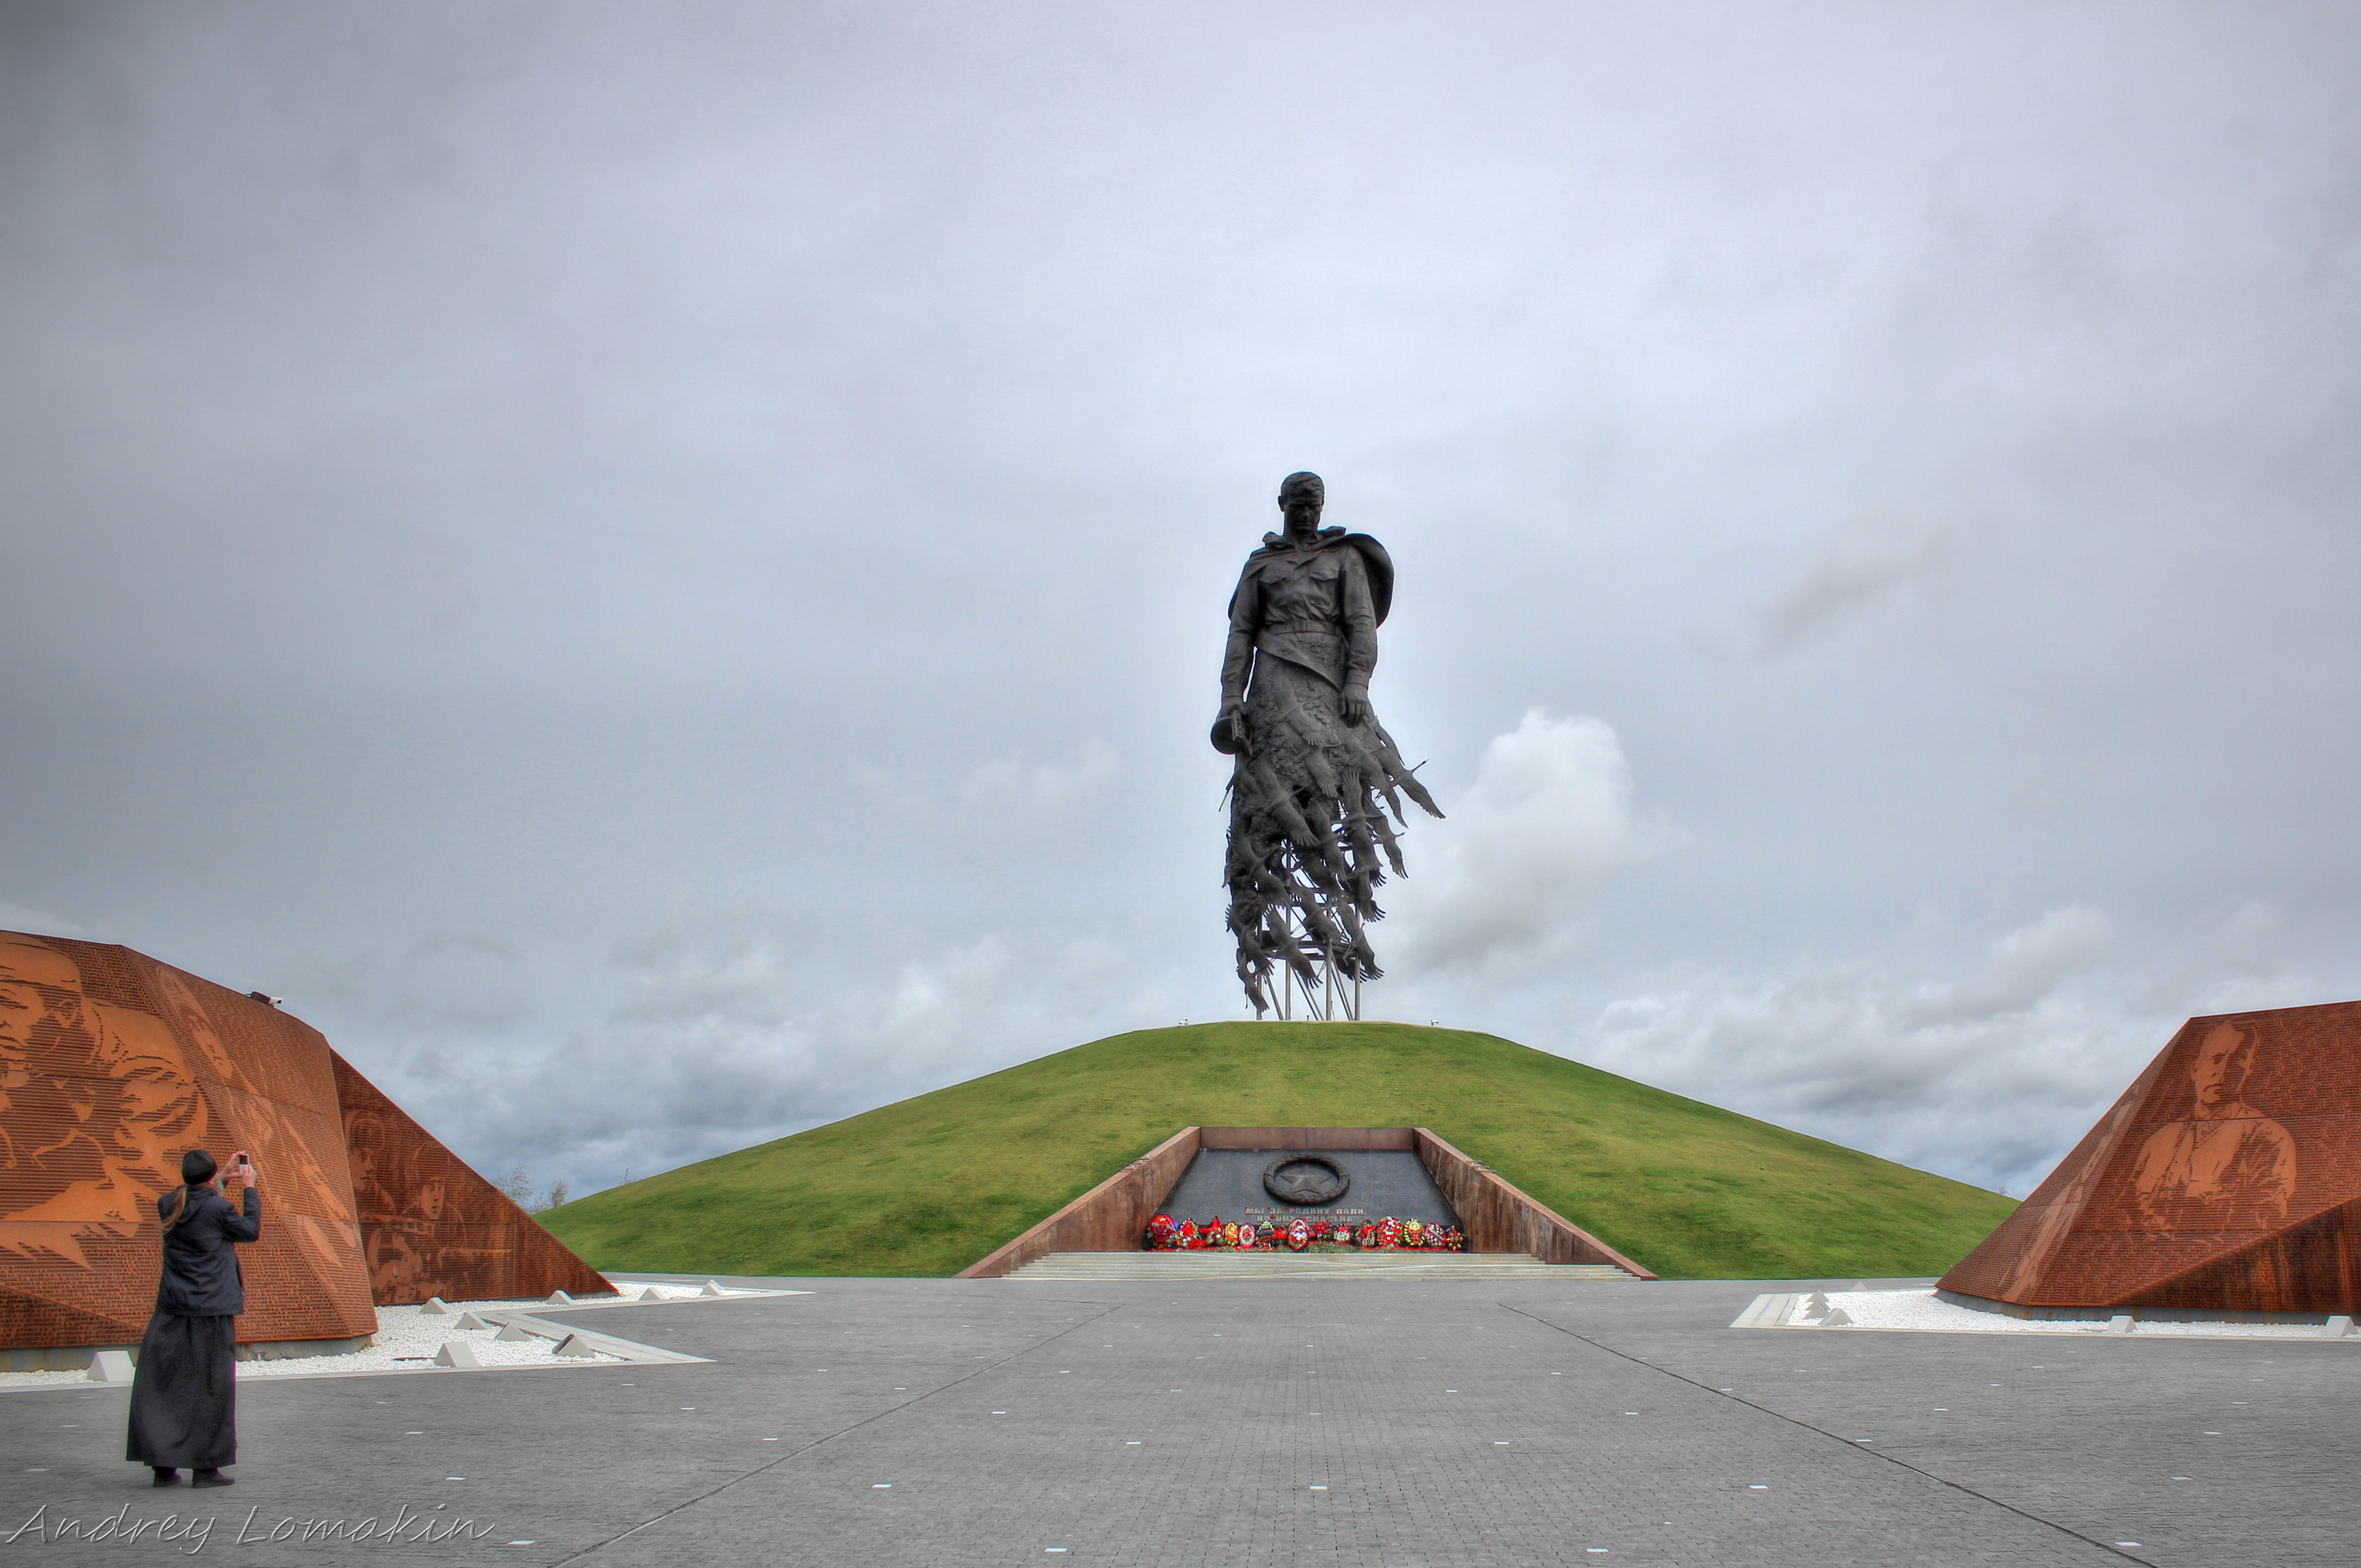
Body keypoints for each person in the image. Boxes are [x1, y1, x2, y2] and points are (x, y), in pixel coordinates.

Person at [1214, 471, 1440, 1015]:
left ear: (1322, 506)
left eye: (1314, 504)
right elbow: (1240, 634)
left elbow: (1362, 623)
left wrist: (1358, 682)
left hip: (1329, 684)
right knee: (1272, 802)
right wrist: (1230, 700)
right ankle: (1272, 933)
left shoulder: (1345, 558)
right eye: (1298, 504)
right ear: (1282, 505)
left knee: (1330, 791)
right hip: (1272, 683)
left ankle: (1339, 913)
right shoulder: (1260, 567)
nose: (1307, 512)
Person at [127, 1148, 261, 1488]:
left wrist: (220, 1180)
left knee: (166, 1384)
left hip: (172, 1307)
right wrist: (249, 1187)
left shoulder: (167, 1203)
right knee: (211, 1386)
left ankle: (163, 1464)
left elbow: (198, 1203)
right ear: (209, 1175)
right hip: (210, 1310)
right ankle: (205, 1467)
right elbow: (249, 1230)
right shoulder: (219, 1207)